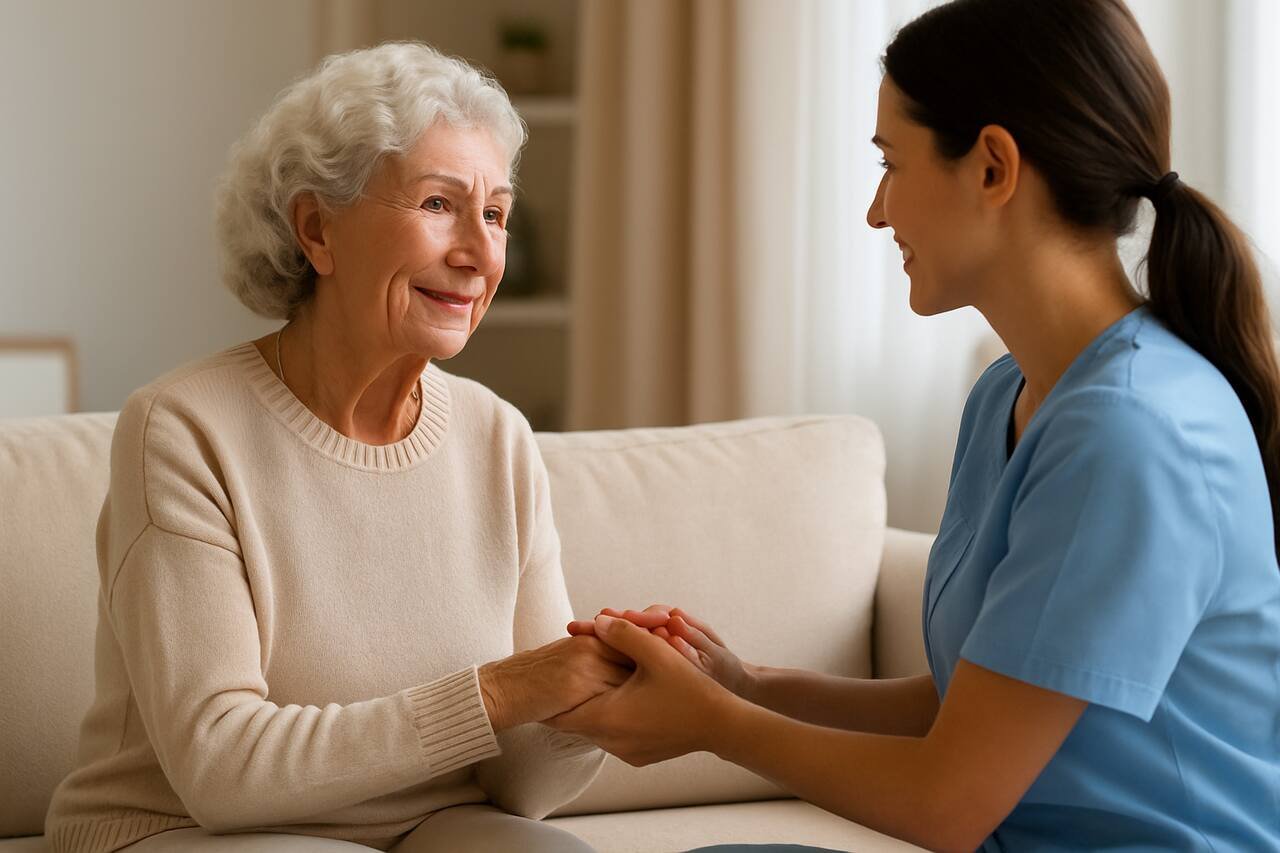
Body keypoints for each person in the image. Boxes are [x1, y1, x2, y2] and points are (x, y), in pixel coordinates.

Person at [559, 1, 1280, 850]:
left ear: (992, 167)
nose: (875, 210)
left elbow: (949, 802)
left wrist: (714, 722)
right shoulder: (1011, 396)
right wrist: (746, 683)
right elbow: (971, 707)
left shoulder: (1128, 432)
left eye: (890, 164)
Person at [45, 42, 620, 853]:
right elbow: (220, 768)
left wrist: (589, 701)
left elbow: (524, 790)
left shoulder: (499, 437)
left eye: (494, 213)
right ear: (317, 229)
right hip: (179, 828)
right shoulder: (183, 428)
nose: (480, 253)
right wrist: (498, 691)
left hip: (430, 822)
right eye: (437, 204)